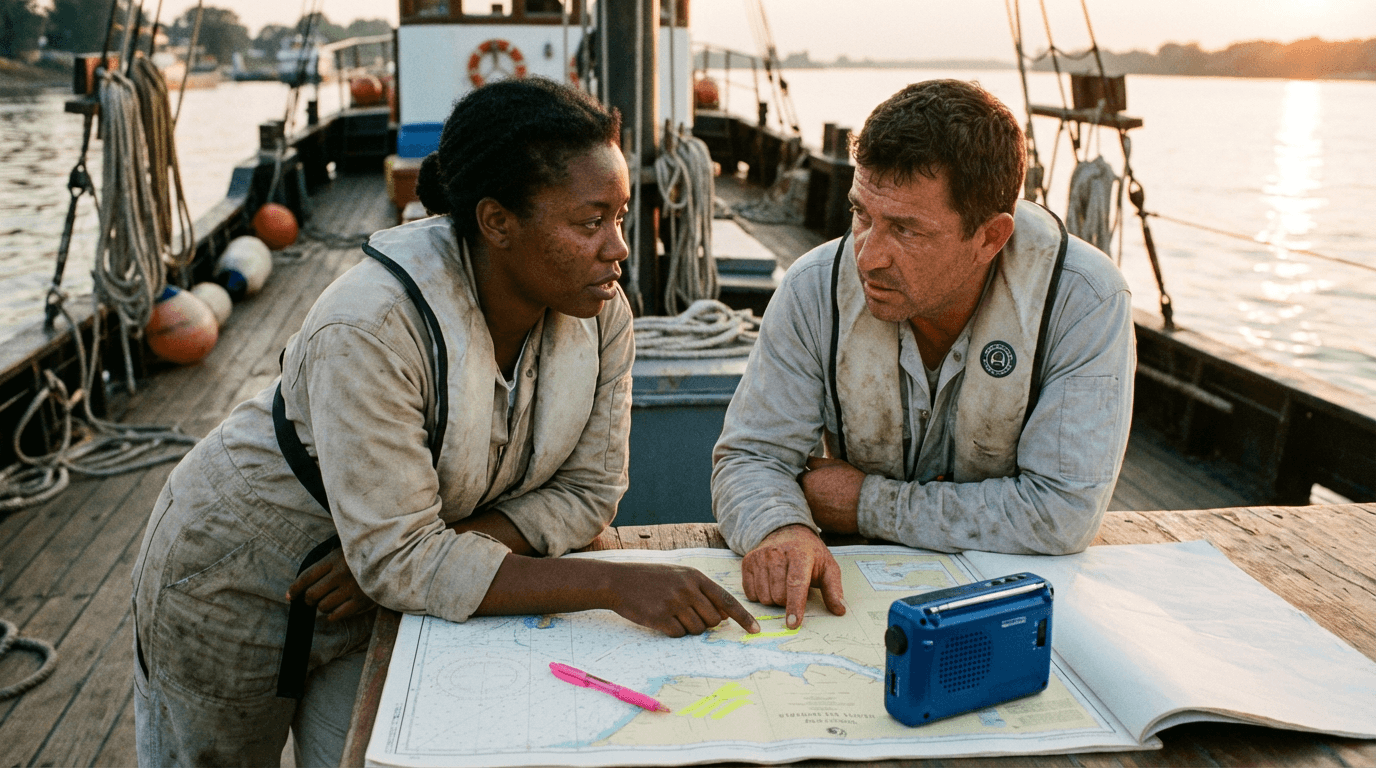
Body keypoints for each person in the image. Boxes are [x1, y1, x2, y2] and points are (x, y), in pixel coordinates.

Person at [131, 78, 757, 768]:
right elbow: (402, 560)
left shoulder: (604, 316)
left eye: (621, 216)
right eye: (589, 222)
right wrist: (612, 583)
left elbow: (589, 493)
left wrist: (430, 550)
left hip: (377, 595)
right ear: (496, 222)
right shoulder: (370, 326)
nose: (619, 248)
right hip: (239, 576)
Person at [711, 79, 1135, 629]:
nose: (868, 258)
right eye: (862, 215)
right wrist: (781, 527)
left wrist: (866, 503)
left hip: (1010, 608)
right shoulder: (814, 287)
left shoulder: (1083, 299)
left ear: (991, 237)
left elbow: (1062, 513)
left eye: (906, 230)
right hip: (851, 600)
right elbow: (751, 457)